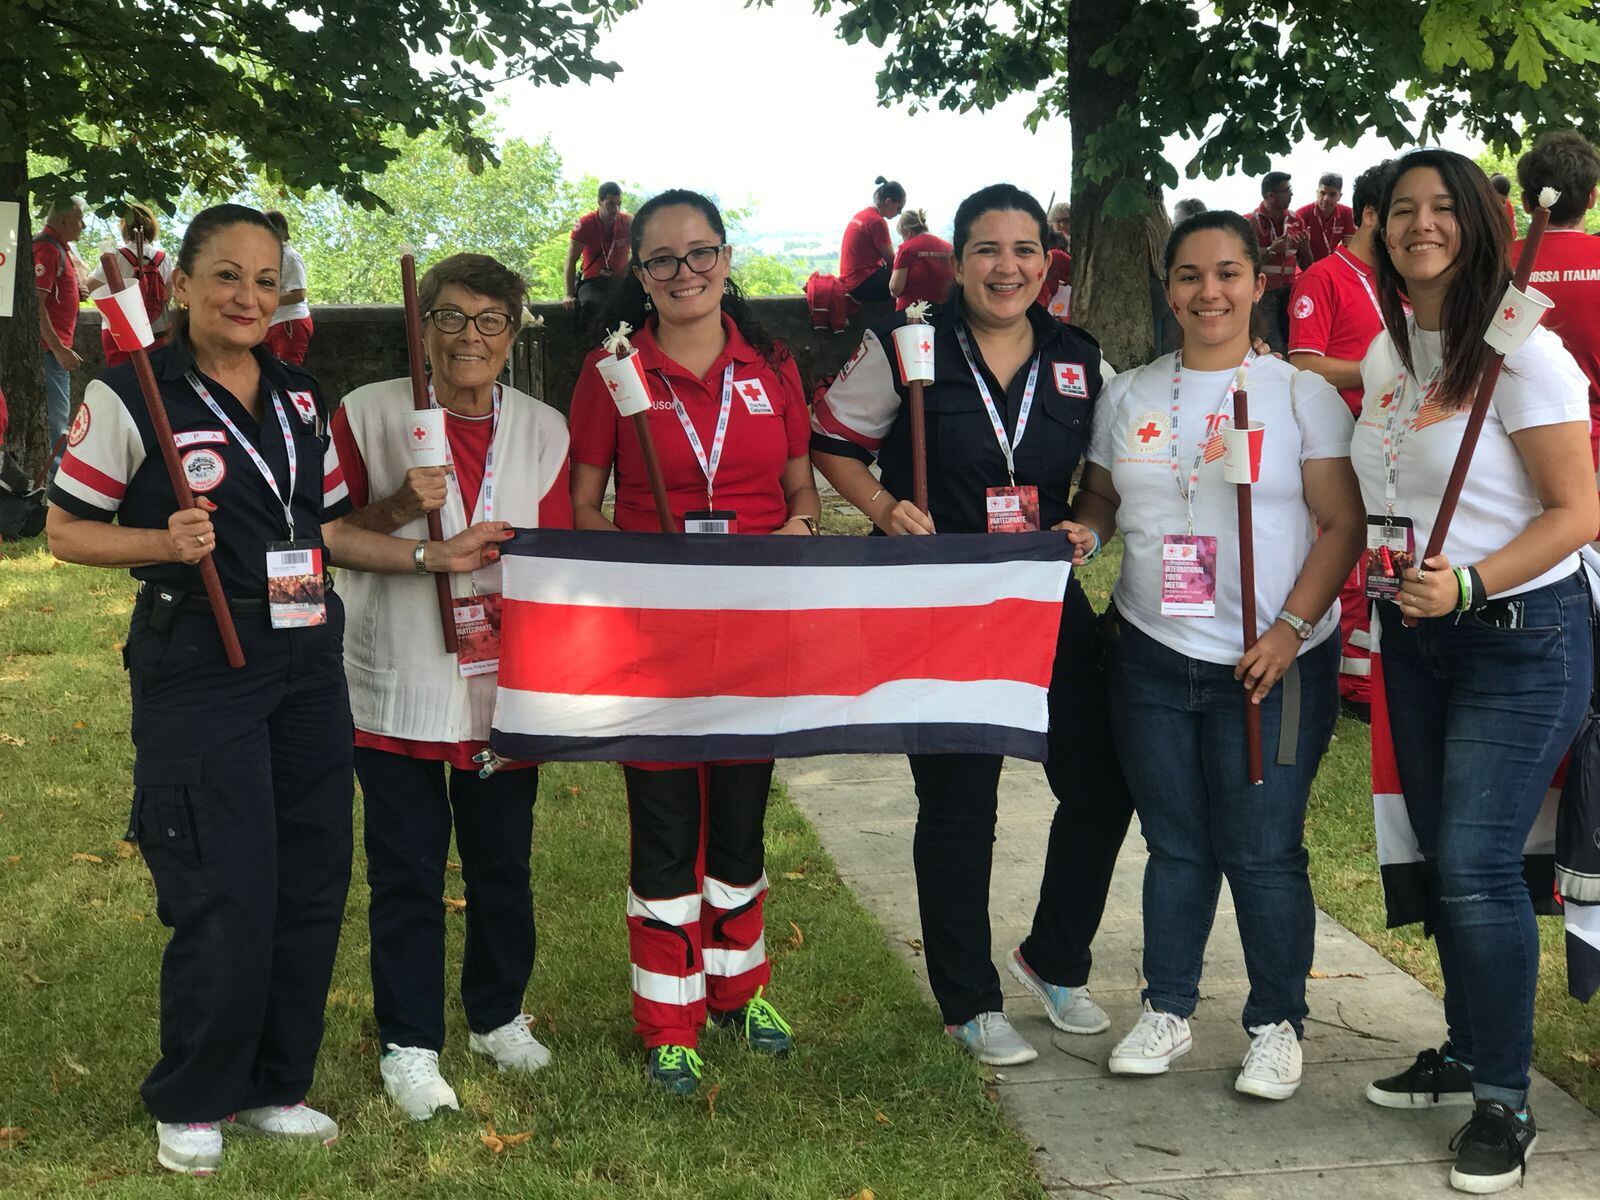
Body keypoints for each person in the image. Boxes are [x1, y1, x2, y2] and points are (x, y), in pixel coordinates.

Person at [43, 204, 510, 1176]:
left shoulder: (301, 397)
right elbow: (64, 529)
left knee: (308, 873)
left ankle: (272, 1083)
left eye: (264, 279)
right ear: (182, 285)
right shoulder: (134, 393)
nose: (247, 296)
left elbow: (331, 529)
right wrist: (159, 541)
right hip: (202, 657)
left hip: (305, 655)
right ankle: (195, 1096)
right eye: (226, 276)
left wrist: (433, 549)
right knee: (224, 879)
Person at [812, 182, 1132, 1068]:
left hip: (1042, 599)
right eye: (988, 250)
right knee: (960, 806)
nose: (1008, 266)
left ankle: (1054, 959)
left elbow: (1101, 484)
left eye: (1025, 249)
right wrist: (883, 506)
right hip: (943, 607)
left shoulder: (1079, 358)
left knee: (1102, 785)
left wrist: (1092, 528)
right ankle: (968, 998)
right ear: (957, 260)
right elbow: (831, 441)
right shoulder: (909, 347)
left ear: (1045, 260)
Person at [1072, 209, 1363, 1100]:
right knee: (1176, 844)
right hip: (1152, 654)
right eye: (1191, 276)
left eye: (1228, 273)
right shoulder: (1130, 392)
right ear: (1169, 288)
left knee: (1264, 850)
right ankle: (1167, 1006)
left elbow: (1342, 523)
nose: (1210, 292)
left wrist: (1288, 629)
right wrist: (1084, 530)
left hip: (1269, 660)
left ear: (1257, 283)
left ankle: (1277, 1023)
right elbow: (1102, 497)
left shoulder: (1297, 393)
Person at [1355, 149, 1597, 1195]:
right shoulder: (1387, 353)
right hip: (1419, 634)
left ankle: (1502, 1095)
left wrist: (1473, 584)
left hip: (1521, 633)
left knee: (1475, 862)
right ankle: (1464, 1047)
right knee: (1442, 860)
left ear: (1486, 223)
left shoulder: (1527, 353)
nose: (1419, 225)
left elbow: (1578, 510)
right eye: (1401, 210)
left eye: (1442, 208)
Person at [568, 189, 820, 1096]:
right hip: (659, 635)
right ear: (637, 273)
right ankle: (669, 1016)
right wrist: (645, 564)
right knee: (669, 823)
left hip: (755, 629)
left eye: (700, 253)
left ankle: (738, 988)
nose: (685, 273)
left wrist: (799, 529)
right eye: (663, 259)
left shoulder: (774, 367)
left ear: (725, 258)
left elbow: (802, 494)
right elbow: (582, 508)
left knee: (743, 816)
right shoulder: (614, 375)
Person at [330, 253, 574, 1120]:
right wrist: (403, 506)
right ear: (423, 325)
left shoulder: (545, 429)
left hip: (504, 687)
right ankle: (410, 1042)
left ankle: (497, 1015)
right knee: (406, 869)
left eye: (490, 320)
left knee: (503, 861)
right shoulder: (366, 414)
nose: (470, 337)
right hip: (396, 673)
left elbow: (564, 558)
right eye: (451, 317)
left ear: (513, 333)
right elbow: (325, 536)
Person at [1288, 160, 1395, 715]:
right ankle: (1351, 684)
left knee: (1389, 553)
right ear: (1372, 215)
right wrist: (1385, 371)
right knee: (1353, 559)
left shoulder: (1401, 279)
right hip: (1345, 440)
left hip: (1396, 441)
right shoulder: (1324, 278)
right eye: (1399, 213)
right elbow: (1303, 366)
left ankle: (1377, 672)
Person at [1516, 130, 1600, 466]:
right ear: (1592, 198)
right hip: (1593, 452)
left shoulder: (1491, 265)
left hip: (1515, 448)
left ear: (1525, 202)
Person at [34, 196, 86, 475]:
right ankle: (57, 487)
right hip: (48, 352)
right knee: (57, 422)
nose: (84, 226)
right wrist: (58, 348)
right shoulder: (48, 249)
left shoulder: (58, 249)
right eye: (80, 219)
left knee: (57, 420)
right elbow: (36, 301)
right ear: (65, 220)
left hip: (51, 349)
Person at [86, 203, 174, 367]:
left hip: (119, 333)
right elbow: (166, 298)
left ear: (124, 228)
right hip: (155, 332)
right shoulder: (164, 258)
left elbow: (88, 288)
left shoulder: (115, 256)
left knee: (121, 385)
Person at [1246, 171, 1311, 353]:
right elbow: (1246, 266)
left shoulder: (1296, 220)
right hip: (1264, 295)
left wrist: (1305, 249)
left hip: (1290, 293)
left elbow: (1307, 266)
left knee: (1293, 342)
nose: (1291, 194)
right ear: (1270, 195)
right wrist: (1272, 250)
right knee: (1274, 344)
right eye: (1286, 190)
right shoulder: (1250, 222)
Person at [565, 181, 631, 321]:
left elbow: (641, 251)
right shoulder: (585, 224)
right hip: (592, 281)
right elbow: (571, 260)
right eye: (611, 204)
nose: (616, 209)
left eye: (619, 204)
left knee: (631, 305)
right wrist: (569, 294)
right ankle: (589, 342)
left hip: (619, 281)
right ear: (600, 201)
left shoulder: (627, 222)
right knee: (590, 304)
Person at [839, 177, 905, 301]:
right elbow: (891, 260)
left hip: (850, 279)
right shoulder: (877, 222)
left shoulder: (863, 215)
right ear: (888, 201)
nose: (898, 213)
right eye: (899, 208)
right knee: (907, 279)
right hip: (861, 283)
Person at [262, 211, 313, 365]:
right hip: (272, 322)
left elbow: (298, 294)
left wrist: (268, 300)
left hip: (289, 321)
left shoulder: (290, 257)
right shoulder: (269, 256)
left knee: (288, 372)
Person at [889, 208, 954, 311]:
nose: (903, 239)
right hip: (943, 311)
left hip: (912, 314)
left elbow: (895, 288)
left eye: (902, 235)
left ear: (908, 232)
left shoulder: (907, 248)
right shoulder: (949, 248)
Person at [1295, 172, 1358, 262]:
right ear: (1317, 193)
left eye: (1332, 194)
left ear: (1339, 196)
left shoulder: (1347, 214)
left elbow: (1350, 249)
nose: (1326, 199)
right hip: (1305, 265)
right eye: (1322, 193)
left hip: (1331, 265)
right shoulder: (1301, 215)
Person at [1490, 172, 1520, 241]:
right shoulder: (1480, 202)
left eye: (1503, 202)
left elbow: (1512, 233)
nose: (1500, 205)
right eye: (1496, 201)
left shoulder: (1508, 206)